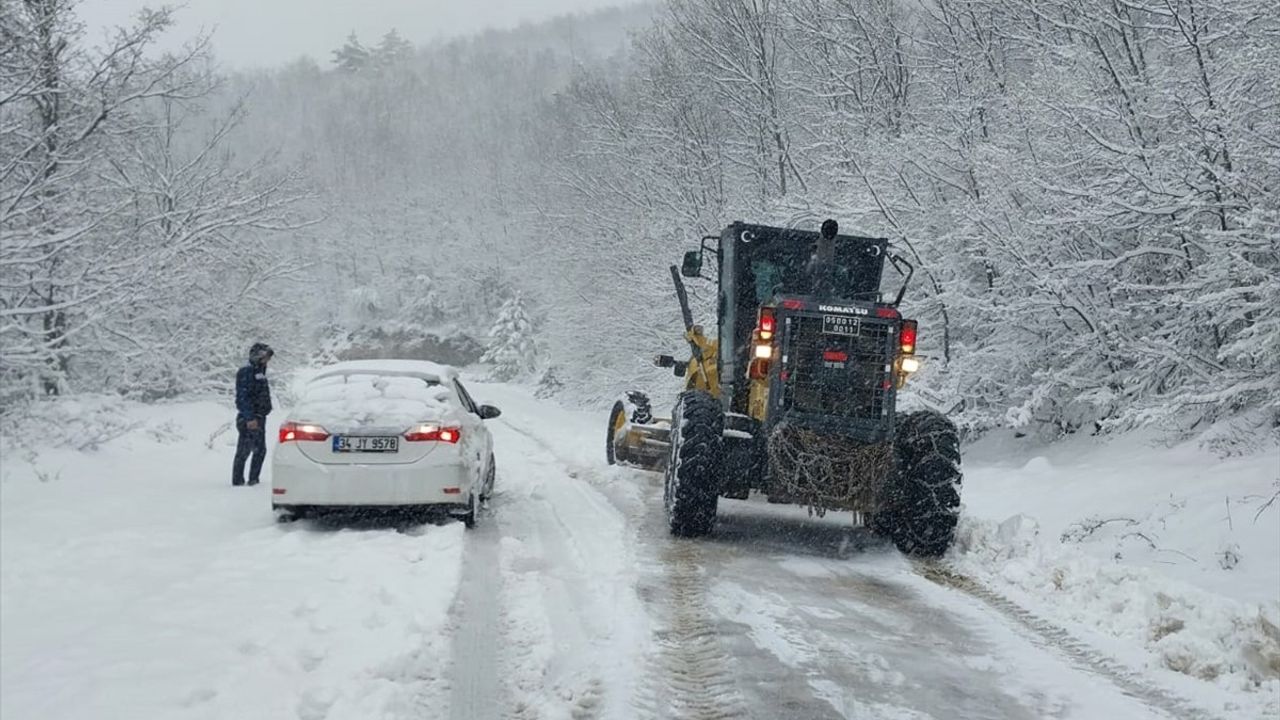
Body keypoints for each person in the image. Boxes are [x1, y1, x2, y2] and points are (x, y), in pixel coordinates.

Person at [232, 342, 274, 486]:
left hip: (259, 417)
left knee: (259, 450)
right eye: (266, 357)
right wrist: (249, 417)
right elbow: (242, 397)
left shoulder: (260, 372)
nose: (268, 360)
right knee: (245, 450)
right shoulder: (247, 371)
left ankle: (253, 479)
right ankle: (238, 481)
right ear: (258, 356)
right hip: (249, 419)